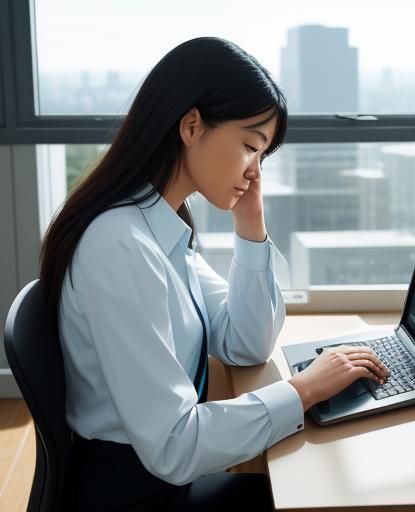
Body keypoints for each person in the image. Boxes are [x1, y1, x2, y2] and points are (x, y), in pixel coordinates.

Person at [40, 37, 389, 511]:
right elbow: (174, 446)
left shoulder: (159, 223)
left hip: (156, 479)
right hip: (137, 495)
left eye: (262, 156)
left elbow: (244, 340)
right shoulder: (124, 247)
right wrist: (305, 389)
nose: (254, 171)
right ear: (191, 125)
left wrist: (250, 224)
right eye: (250, 147)